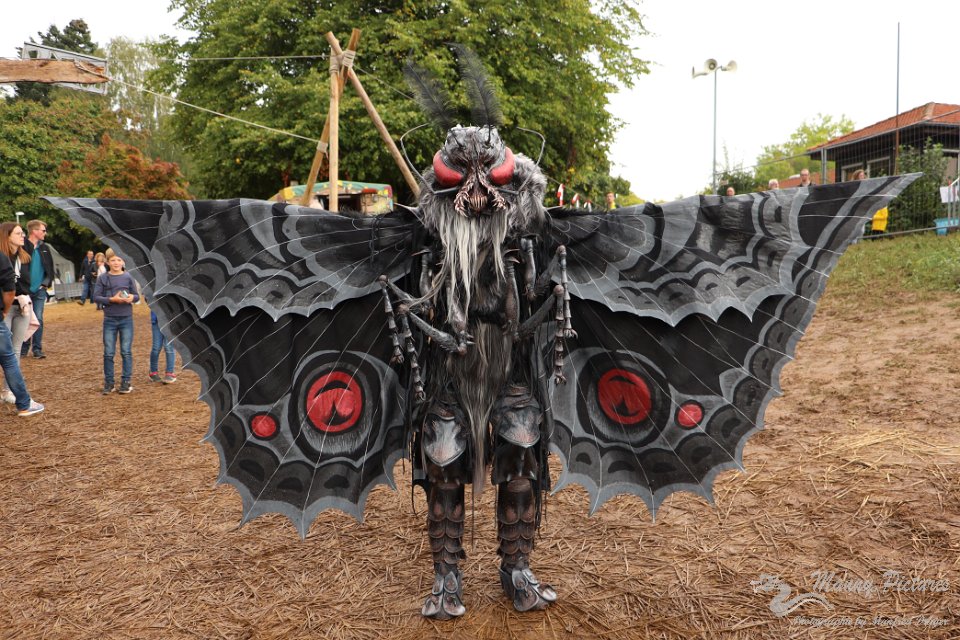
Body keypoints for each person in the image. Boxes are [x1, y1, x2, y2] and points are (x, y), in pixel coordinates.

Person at [0, 237, 44, 416]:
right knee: (9, 358)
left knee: (12, 354)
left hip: (20, 306)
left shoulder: (23, 256)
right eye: (18, 233)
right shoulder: (2, 256)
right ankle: (24, 404)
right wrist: (4, 311)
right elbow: (9, 288)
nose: (22, 236)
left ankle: (15, 397)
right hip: (6, 310)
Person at [94, 250, 140, 394]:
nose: (116, 263)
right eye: (113, 260)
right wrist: (111, 299)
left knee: (126, 351)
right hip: (109, 319)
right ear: (107, 262)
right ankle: (109, 382)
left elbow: (137, 296)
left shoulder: (128, 276)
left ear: (123, 261)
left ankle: (126, 381)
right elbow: (96, 297)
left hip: (126, 318)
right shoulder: (102, 278)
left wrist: (132, 297)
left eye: (119, 260)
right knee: (108, 352)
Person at [19, 218, 54, 359]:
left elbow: (50, 269)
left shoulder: (45, 248)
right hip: (24, 290)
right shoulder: (21, 247)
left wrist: (45, 284)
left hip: (40, 290)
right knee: (25, 318)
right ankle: (23, 348)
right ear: (34, 231)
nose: (45, 233)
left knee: (38, 318)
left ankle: (37, 349)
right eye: (43, 230)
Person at [149, 309, 177, 384]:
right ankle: (153, 372)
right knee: (156, 347)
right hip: (157, 320)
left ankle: (170, 373)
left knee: (169, 347)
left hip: (171, 320)